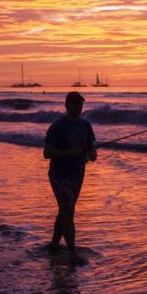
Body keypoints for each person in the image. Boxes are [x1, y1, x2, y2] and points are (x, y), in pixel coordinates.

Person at [43, 91, 97, 263]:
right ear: (66, 105)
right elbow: (47, 153)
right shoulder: (57, 126)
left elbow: (91, 149)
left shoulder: (86, 125)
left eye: (80, 103)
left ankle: (53, 244)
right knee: (68, 210)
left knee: (65, 209)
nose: (78, 107)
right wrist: (70, 152)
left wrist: (91, 154)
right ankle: (72, 252)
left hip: (78, 174)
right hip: (59, 174)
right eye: (74, 103)